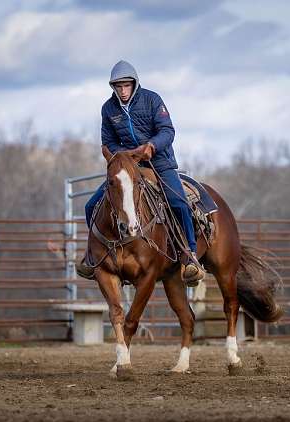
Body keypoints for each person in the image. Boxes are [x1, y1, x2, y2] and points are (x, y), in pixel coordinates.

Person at [76, 60, 204, 284]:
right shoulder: (108, 109)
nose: (123, 91)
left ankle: (190, 255)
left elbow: (167, 130)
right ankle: (92, 254)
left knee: (178, 202)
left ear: (134, 84)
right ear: (113, 87)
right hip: (128, 167)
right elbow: (108, 142)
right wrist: (127, 156)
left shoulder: (152, 100)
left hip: (160, 162)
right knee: (91, 206)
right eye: (118, 86)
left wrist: (151, 147)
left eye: (126, 86)